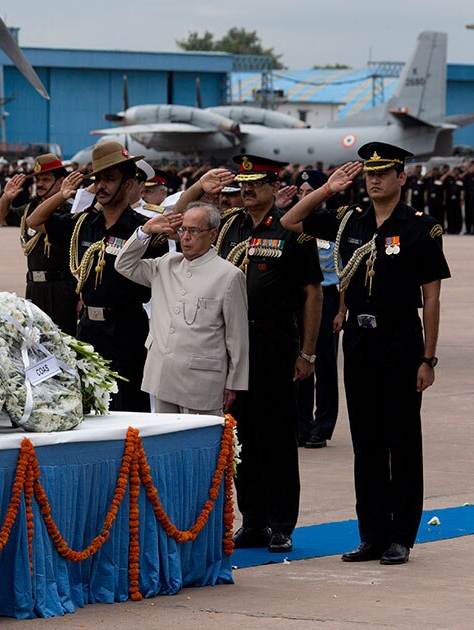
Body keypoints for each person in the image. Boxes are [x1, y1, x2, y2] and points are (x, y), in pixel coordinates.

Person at [281, 142, 451, 566]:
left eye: (384, 172)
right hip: (359, 338)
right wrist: (328, 189)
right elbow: (290, 219)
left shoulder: (419, 226)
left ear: (401, 177)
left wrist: (427, 360)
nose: (374, 179)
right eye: (369, 173)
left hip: (400, 338)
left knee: (402, 439)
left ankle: (401, 535)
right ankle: (371, 533)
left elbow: (430, 300)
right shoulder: (349, 219)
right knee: (367, 440)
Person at [183, 155, 323, 554]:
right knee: (241, 435)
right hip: (229, 343)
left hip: (274, 343)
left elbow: (312, 292)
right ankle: (254, 519)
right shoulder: (228, 227)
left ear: (274, 187)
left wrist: (308, 353)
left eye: (255, 183)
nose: (246, 190)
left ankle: (281, 524)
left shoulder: (291, 229)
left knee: (277, 436)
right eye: (242, 183)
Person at [26, 140, 167, 412]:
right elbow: (35, 221)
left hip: (127, 329)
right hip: (88, 328)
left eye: (110, 179)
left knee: (129, 410)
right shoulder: (83, 223)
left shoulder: (144, 230)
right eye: (98, 179)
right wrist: (62, 195)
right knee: (90, 406)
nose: (101, 186)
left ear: (128, 185)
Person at [115, 202, 249, 415]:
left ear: (213, 234)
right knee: (166, 443)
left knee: (201, 445)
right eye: (183, 229)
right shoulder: (166, 264)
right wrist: (145, 231)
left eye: (194, 230)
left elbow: (237, 335)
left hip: (201, 382)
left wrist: (234, 382)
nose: (186, 237)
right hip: (162, 375)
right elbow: (123, 264)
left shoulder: (228, 275)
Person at [0, 153, 78, 335]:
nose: (39, 184)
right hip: (34, 286)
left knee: (64, 341)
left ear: (61, 181)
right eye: (38, 179)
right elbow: (1, 218)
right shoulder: (31, 208)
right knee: (36, 341)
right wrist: (6, 197)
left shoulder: (72, 209)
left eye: (46, 180)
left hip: (62, 287)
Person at [291, 169, 341, 449]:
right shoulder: (293, 225)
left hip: (329, 296)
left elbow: (346, 269)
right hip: (300, 297)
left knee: (324, 362)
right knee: (300, 359)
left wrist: (342, 310)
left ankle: (322, 426)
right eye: (301, 193)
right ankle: (301, 423)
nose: (305, 197)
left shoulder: (333, 224)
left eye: (310, 193)